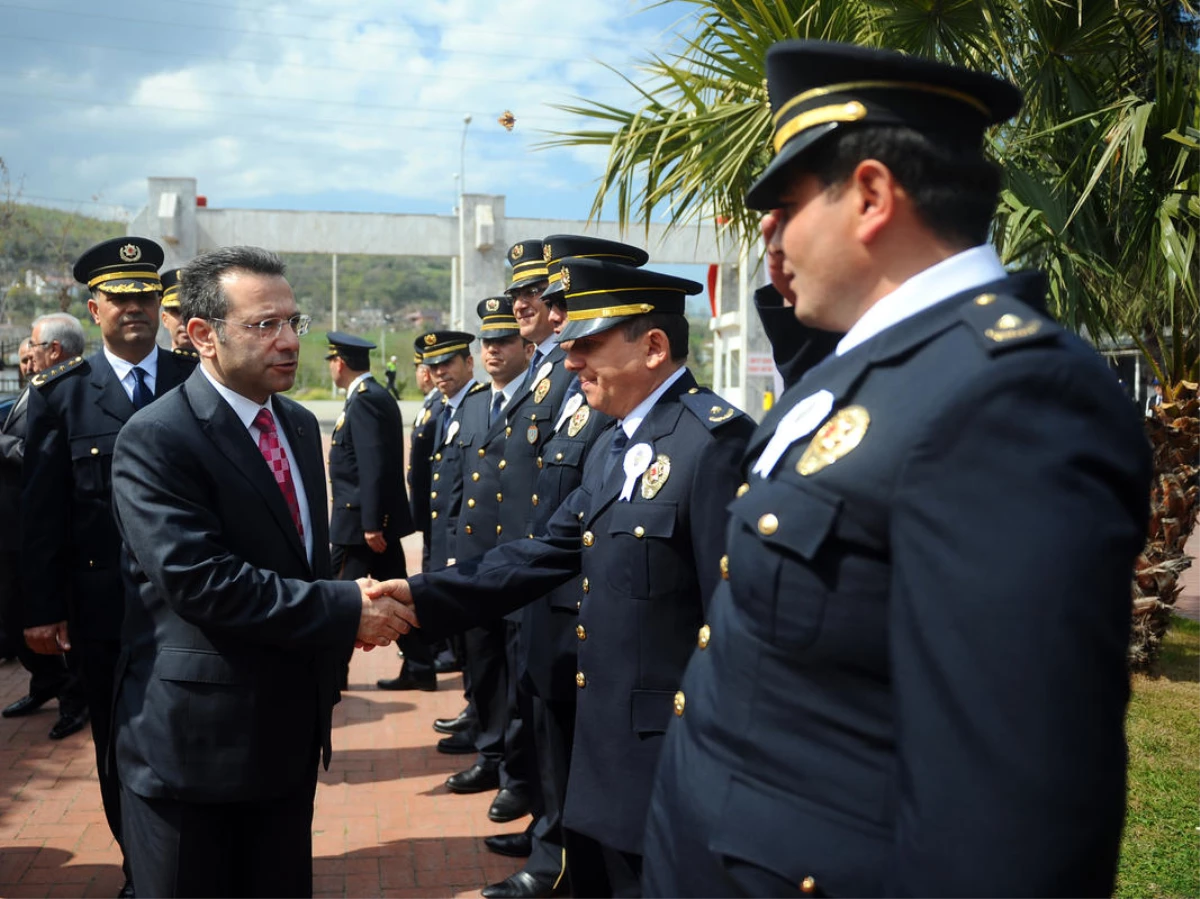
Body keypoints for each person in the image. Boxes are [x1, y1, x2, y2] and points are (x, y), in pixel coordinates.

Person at [635, 41, 1155, 899]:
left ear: (873, 195)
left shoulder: (1010, 396)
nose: (765, 231)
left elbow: (1010, 825)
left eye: (785, 204)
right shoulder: (878, 369)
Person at [368, 258, 754, 899]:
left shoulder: (714, 444)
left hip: (669, 757)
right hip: (600, 741)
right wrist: (419, 594)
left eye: (587, 345)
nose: (570, 361)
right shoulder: (613, 443)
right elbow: (544, 551)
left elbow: (733, 627)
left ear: (654, 346)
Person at [108, 245, 414, 898]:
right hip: (199, 748)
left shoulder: (299, 424)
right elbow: (200, 579)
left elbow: (297, 558)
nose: (287, 340)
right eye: (264, 324)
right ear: (202, 335)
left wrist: (337, 626)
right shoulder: (157, 436)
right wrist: (342, 608)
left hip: (287, 737)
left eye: (293, 322)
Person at [21, 237, 200, 898]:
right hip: (103, 612)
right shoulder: (60, 396)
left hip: (189, 605)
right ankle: (142, 868)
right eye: (120, 298)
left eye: (146, 296)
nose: (135, 307)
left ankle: (193, 859)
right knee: (117, 748)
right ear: (94, 308)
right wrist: (39, 609)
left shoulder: (195, 381)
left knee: (189, 738)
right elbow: (40, 516)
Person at [484, 236, 650, 899]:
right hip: (541, 591)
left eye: (554, 299)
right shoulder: (557, 380)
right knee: (555, 746)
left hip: (580, 609)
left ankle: (559, 858)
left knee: (581, 758)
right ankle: (559, 853)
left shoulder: (600, 394)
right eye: (539, 297)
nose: (536, 309)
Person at [440, 296, 535, 819]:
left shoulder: (542, 401)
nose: (494, 350)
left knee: (520, 676)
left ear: (525, 345)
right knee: (483, 667)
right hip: (476, 565)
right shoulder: (474, 405)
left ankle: (518, 775)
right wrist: (453, 556)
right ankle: (491, 754)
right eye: (487, 342)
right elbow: (458, 493)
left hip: (519, 564)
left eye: (504, 340)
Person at [326, 330, 432, 691]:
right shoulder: (368, 396)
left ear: (339, 363)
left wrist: (371, 524)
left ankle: (331, 673)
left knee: (340, 597)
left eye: (331, 361)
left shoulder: (366, 399)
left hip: (360, 526)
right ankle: (419, 665)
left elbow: (372, 466)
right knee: (395, 595)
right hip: (366, 521)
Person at [1, 325, 89, 739]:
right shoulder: (36, 386)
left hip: (45, 531)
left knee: (55, 621)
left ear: (54, 350)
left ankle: (74, 700)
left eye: (32, 349)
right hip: (17, 531)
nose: (27, 358)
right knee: (18, 615)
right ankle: (44, 684)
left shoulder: (72, 391)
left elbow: (45, 455)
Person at [159, 267, 197, 354]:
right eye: (177, 312)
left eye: (191, 311)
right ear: (165, 319)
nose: (184, 320)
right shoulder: (155, 366)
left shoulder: (220, 367)